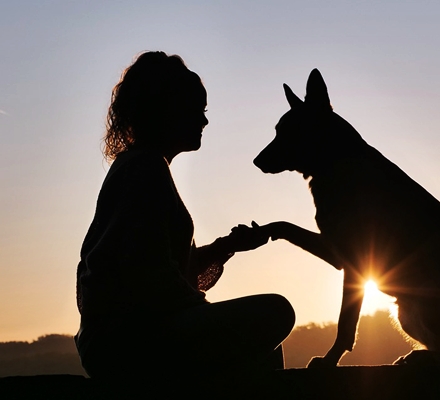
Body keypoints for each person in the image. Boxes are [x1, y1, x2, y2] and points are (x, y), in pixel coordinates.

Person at [75, 51, 295, 379]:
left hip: (121, 339)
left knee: (265, 347)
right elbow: (149, 276)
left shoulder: (143, 165)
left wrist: (223, 248)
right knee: (277, 312)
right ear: (166, 111)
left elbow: (167, 270)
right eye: (196, 111)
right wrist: (205, 313)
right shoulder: (145, 168)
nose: (204, 121)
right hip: (124, 342)